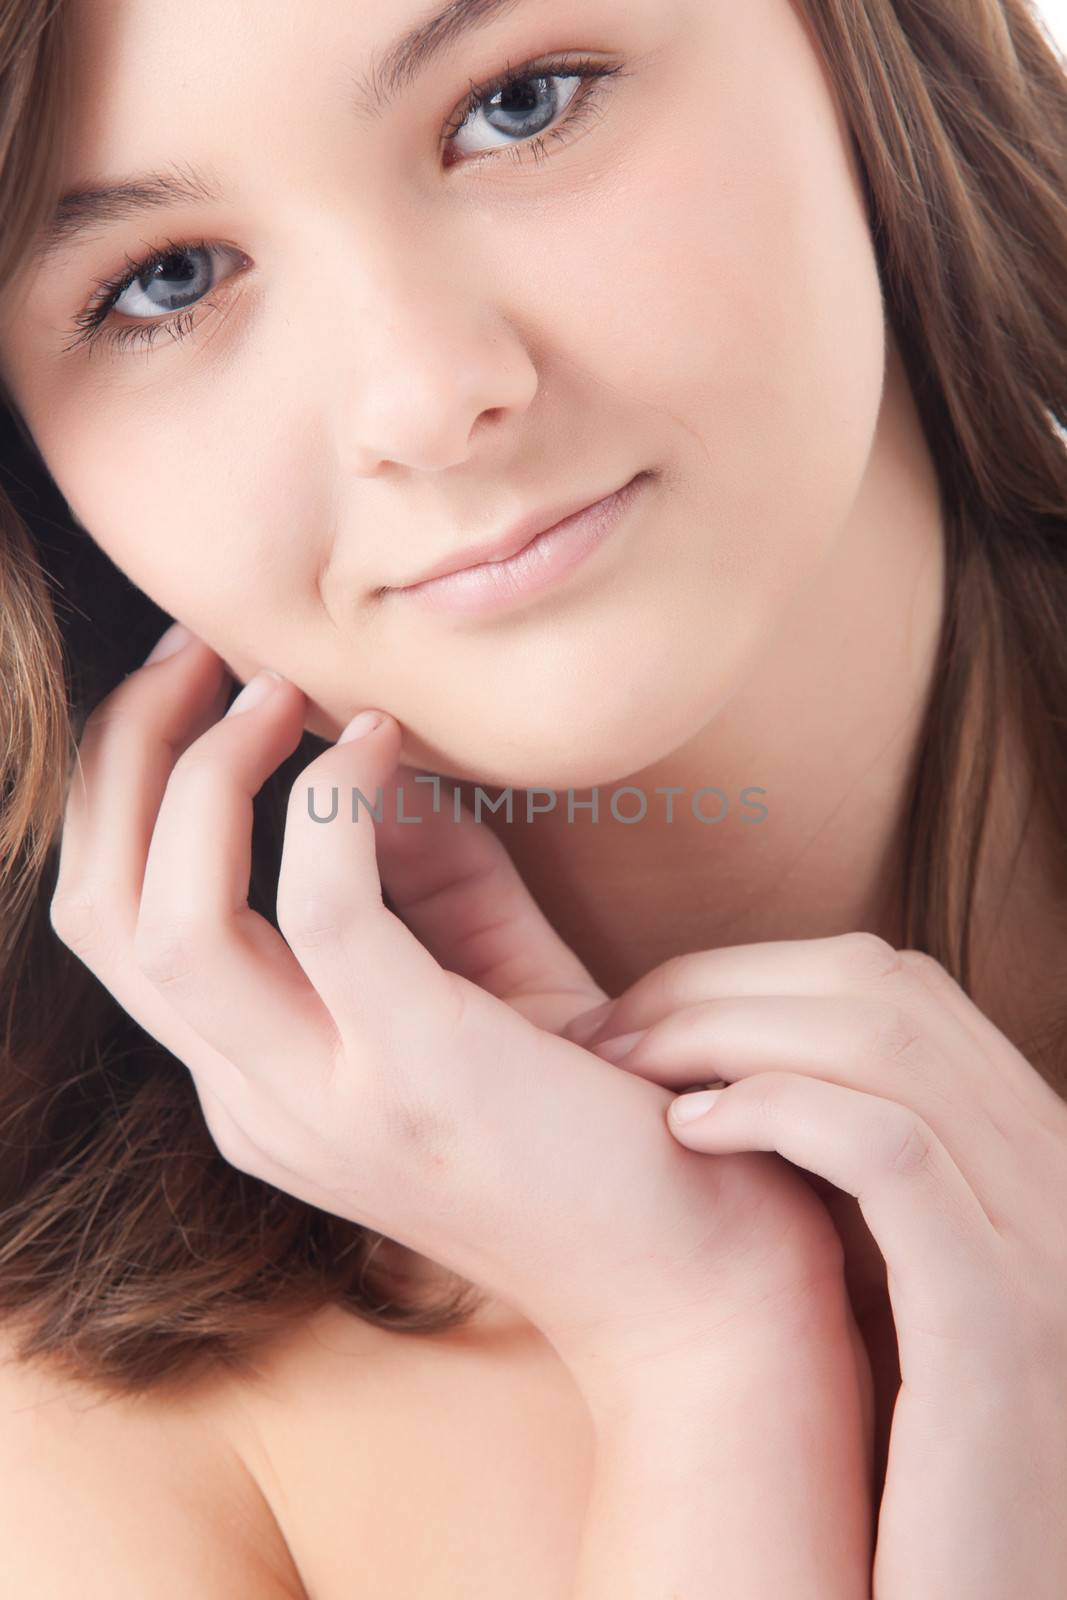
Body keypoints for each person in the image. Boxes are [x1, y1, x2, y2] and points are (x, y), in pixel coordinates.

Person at [0, 0, 1064, 1592]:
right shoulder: (89, 1441)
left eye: (521, 104)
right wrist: (712, 1363)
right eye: (166, 282)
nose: (427, 399)